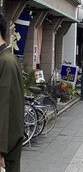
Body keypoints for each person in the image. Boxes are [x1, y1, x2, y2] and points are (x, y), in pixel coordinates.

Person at [0, 14, 24, 172]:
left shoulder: (5, 62)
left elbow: (4, 107)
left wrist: (0, 150)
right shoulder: (7, 59)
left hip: (5, 151)